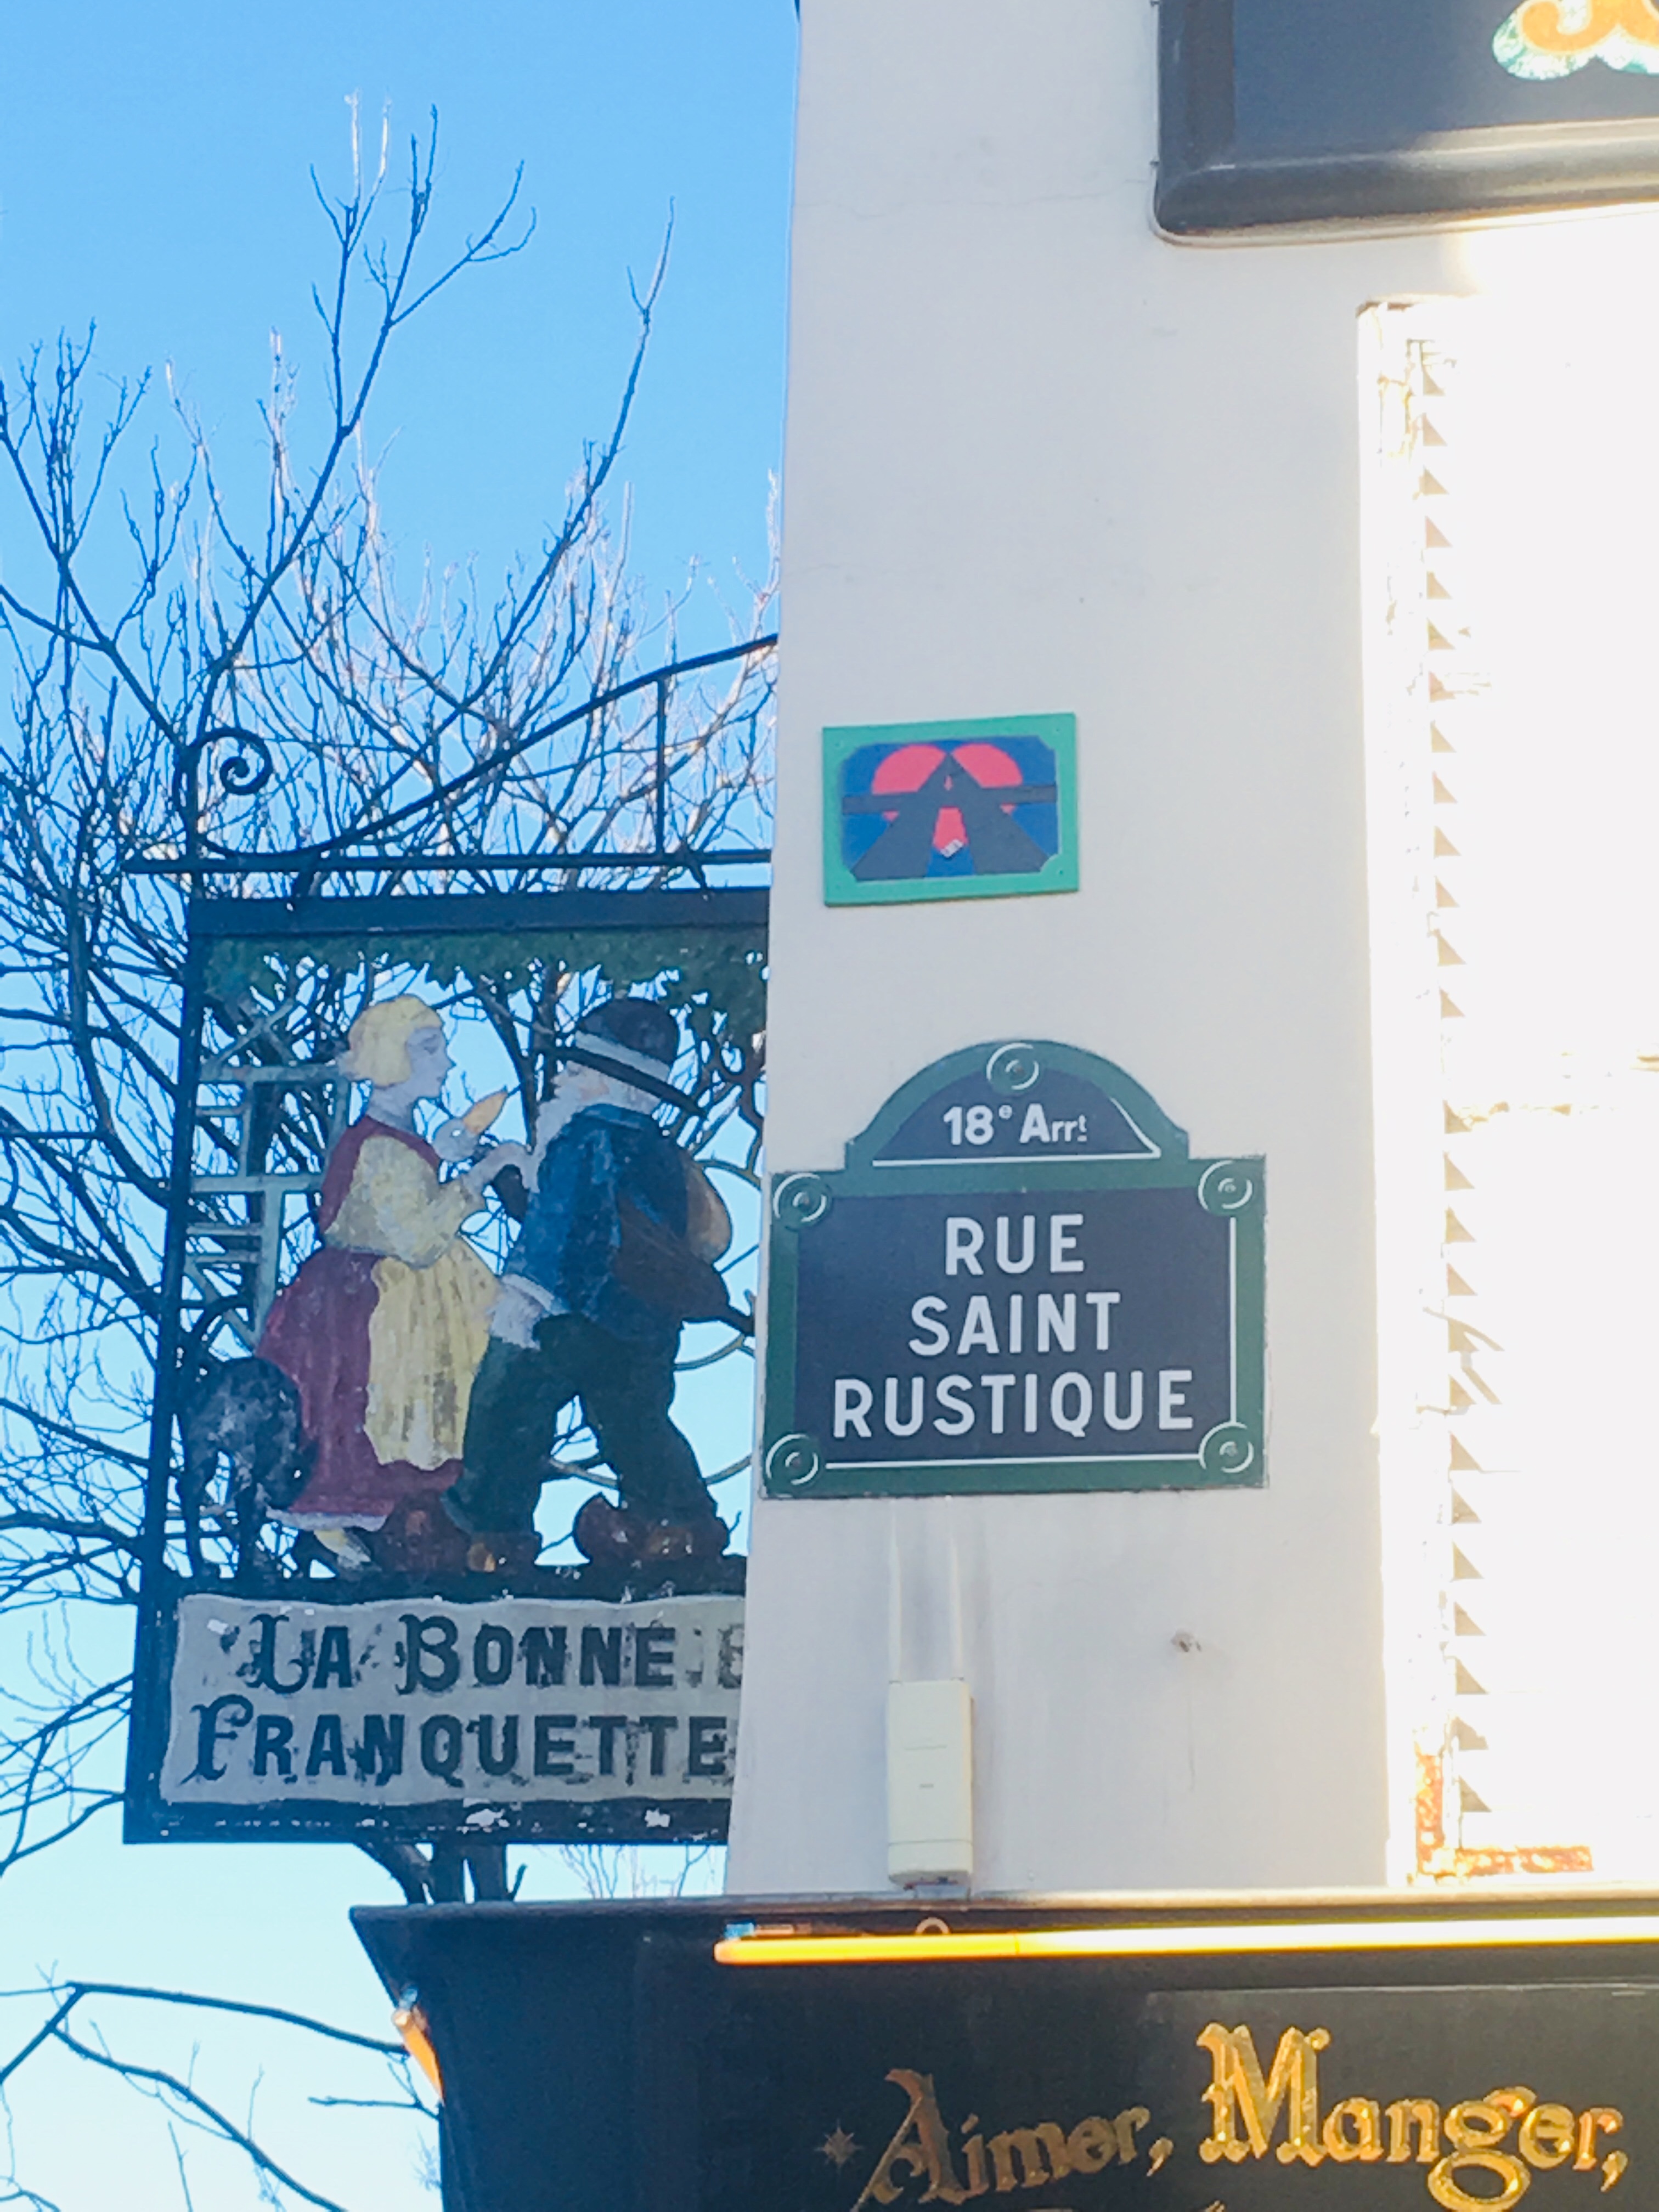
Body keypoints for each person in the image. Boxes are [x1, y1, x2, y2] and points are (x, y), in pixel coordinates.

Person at [447, 996, 735, 1566]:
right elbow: (579, 1216)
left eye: (578, 1068)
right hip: (640, 1320)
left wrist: (540, 1309)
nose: (562, 1078)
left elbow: (573, 1229)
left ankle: (489, 1533)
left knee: (505, 1411)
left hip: (567, 1314)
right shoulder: (648, 1148)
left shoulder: (588, 1136)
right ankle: (680, 1520)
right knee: (635, 1425)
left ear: (612, 1082)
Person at [261, 995, 510, 1572]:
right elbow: (418, 1241)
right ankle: (374, 1530)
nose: (446, 1063)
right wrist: (481, 1175)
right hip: (382, 1303)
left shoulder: (389, 1136)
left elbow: (404, 1197)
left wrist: (441, 1154)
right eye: (431, 1049)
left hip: (384, 1291)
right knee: (388, 1417)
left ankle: (409, 1532)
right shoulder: (378, 1148)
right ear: (395, 1056)